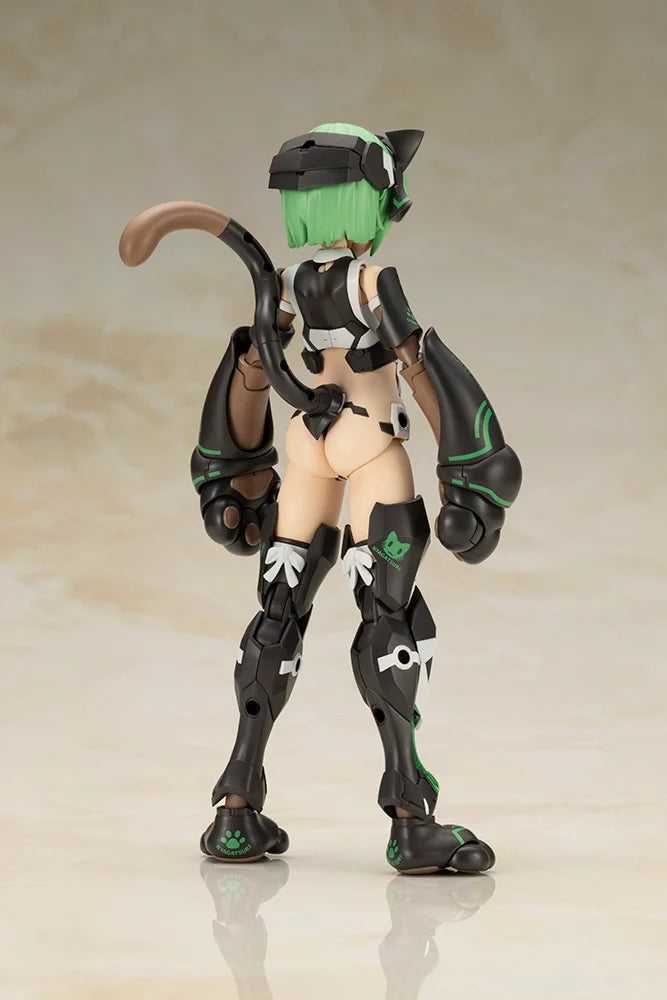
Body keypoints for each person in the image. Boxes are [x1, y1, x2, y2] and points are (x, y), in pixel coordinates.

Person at [119, 123, 522, 874]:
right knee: (390, 617)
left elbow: (256, 365)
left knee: (278, 613)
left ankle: (236, 810)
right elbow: (418, 362)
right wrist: (469, 465)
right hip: (367, 440)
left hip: (308, 443)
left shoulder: (287, 281)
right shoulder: (372, 280)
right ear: (371, 197)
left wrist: (235, 467)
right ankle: (412, 820)